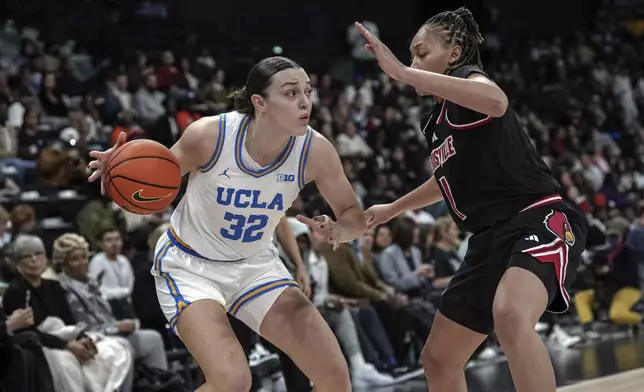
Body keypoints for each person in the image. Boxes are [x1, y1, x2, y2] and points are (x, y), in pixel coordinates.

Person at [87, 56, 366, 392]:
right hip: (191, 266)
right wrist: (121, 167)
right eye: (291, 93)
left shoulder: (315, 151)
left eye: (307, 92)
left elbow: (353, 213)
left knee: (334, 374)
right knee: (232, 380)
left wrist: (341, 229)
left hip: (256, 265)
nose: (305, 101)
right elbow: (157, 177)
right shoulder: (210, 135)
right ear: (259, 102)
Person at [356, 8, 588, 392]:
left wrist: (401, 72)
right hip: (486, 240)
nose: (413, 62)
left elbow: (495, 101)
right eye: (410, 57)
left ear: (454, 53)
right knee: (439, 358)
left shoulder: (466, 79)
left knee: (512, 317)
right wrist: (393, 209)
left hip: (537, 218)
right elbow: (446, 179)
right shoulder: (437, 119)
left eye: (421, 52)